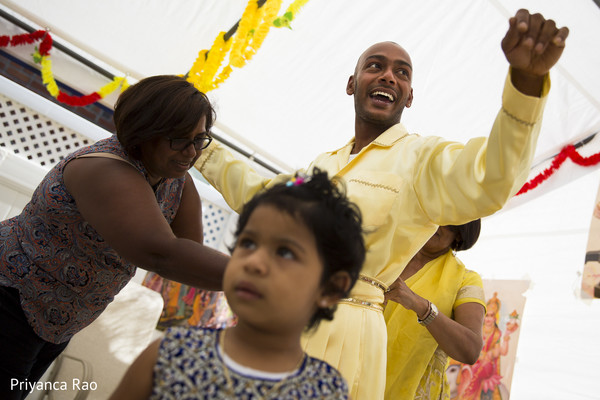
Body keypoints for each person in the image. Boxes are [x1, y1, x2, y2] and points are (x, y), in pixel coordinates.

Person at [192, 9, 569, 399]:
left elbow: (492, 179)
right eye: (376, 66)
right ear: (352, 84)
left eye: (402, 73)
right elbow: (262, 196)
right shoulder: (324, 164)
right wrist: (201, 148)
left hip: (346, 329)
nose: (389, 76)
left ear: (410, 96)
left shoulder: (422, 159)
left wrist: (526, 86)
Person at [0, 75, 230, 400]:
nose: (191, 152)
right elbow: (161, 255)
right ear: (145, 129)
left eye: (200, 139)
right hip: (12, 298)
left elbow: (187, 253)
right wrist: (265, 279)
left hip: (57, 321)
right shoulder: (105, 169)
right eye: (180, 139)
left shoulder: (174, 178)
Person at [109, 169, 366, 399]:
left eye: (285, 252)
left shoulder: (324, 391)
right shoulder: (172, 353)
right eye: (248, 243)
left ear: (331, 288)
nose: (253, 262)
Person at [383, 219, 485, 399]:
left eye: (448, 219)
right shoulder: (386, 258)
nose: (437, 221)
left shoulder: (465, 280)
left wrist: (421, 307)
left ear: (460, 233)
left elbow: (471, 350)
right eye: (432, 212)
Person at [460, 292, 518, 400]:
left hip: (487, 364)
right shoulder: (478, 329)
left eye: (491, 316)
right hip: (474, 359)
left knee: (476, 370)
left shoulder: (497, 333)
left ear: (495, 318)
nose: (488, 319)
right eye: (486, 315)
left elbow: (503, 351)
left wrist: (507, 336)